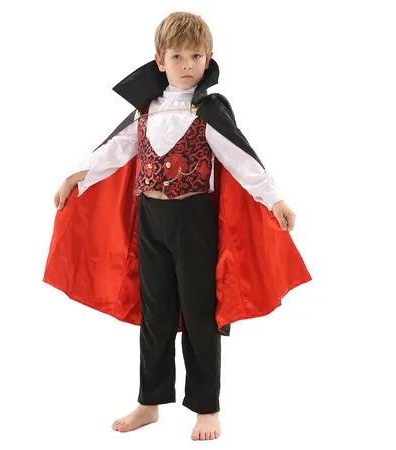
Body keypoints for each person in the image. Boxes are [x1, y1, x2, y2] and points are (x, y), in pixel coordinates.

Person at [44, 11, 312, 441]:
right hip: (150, 220)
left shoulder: (208, 111)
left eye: (196, 56)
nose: (187, 64)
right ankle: (149, 402)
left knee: (199, 312)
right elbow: (114, 151)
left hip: (193, 222)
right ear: (160, 60)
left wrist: (274, 198)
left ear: (209, 58)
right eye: (177, 56)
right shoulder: (145, 111)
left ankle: (206, 407)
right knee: (156, 314)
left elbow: (242, 160)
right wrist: (75, 176)